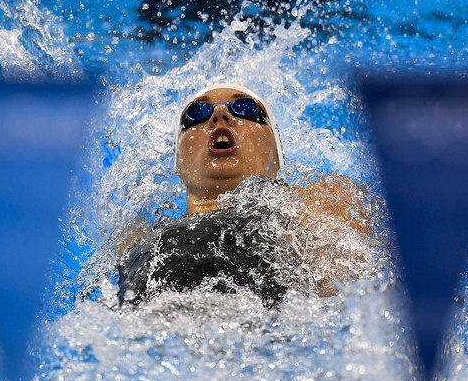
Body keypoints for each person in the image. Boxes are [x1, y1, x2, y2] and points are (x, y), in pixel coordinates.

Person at [115, 83, 373, 307]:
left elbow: (347, 286)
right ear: (178, 164)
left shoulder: (317, 201)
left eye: (246, 109)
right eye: (196, 114)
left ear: (277, 154)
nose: (219, 114)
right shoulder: (136, 233)